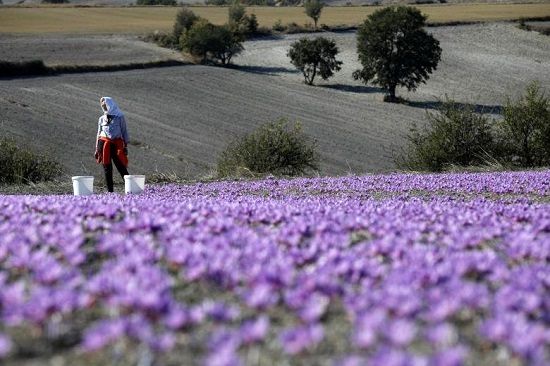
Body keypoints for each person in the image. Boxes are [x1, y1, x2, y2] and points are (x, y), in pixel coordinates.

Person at [94, 97, 129, 192]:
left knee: (121, 166)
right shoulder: (101, 119)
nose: (104, 108)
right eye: (102, 106)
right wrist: (97, 148)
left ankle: (131, 188)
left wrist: (125, 145)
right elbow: (99, 133)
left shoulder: (120, 117)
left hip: (116, 144)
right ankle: (110, 191)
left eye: (105, 105)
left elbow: (124, 131)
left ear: (110, 105)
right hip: (104, 143)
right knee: (107, 168)